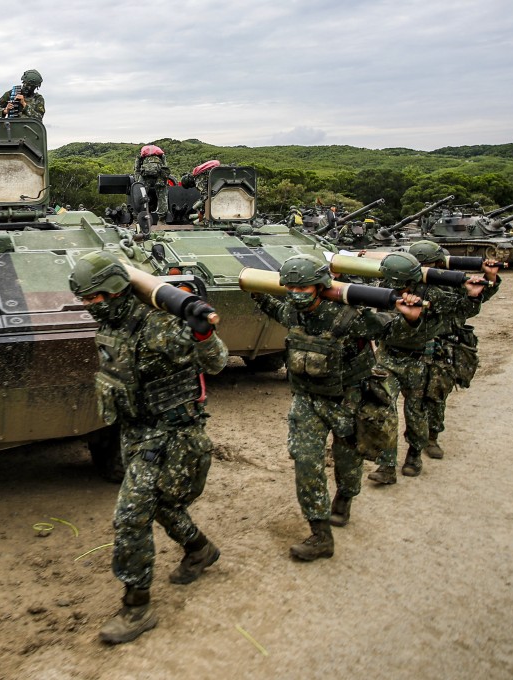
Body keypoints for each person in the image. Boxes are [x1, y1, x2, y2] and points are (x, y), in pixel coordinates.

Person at [68, 250, 228, 644]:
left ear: (117, 292)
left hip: (172, 434)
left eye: (95, 299)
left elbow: (218, 361)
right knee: (160, 505)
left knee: (129, 517)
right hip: (135, 429)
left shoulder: (158, 327)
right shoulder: (114, 322)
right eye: (85, 300)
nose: (90, 307)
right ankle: (199, 549)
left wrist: (202, 333)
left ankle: (136, 607)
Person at [251, 255, 403, 561]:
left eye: (303, 288)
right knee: (306, 463)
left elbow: (390, 328)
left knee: (348, 464)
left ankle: (345, 498)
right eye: (290, 287)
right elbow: (271, 305)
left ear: (319, 288)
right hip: (307, 401)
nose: (295, 294)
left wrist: (410, 316)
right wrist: (252, 286)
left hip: (348, 401)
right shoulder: (293, 313)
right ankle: (320, 534)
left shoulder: (349, 318)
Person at [367, 252, 487, 484]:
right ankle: (386, 465)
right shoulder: (382, 291)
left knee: (416, 411)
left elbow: (461, 309)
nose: (396, 287)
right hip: (388, 358)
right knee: (383, 409)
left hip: (419, 360)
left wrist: (472, 296)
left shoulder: (431, 293)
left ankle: (414, 455)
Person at [407, 240, 502, 459]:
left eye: (429, 264)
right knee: (416, 400)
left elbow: (478, 296)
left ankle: (432, 437)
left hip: (445, 345)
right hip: (417, 346)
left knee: (437, 394)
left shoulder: (451, 282)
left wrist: (490, 278)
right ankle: (414, 447)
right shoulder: (411, 284)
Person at [133, 145, 173, 226]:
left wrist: (137, 180)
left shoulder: (141, 155)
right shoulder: (161, 155)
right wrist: (164, 178)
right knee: (162, 196)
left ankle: (137, 218)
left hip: (145, 176)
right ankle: (161, 220)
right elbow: (165, 167)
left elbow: (136, 168)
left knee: (140, 196)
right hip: (159, 175)